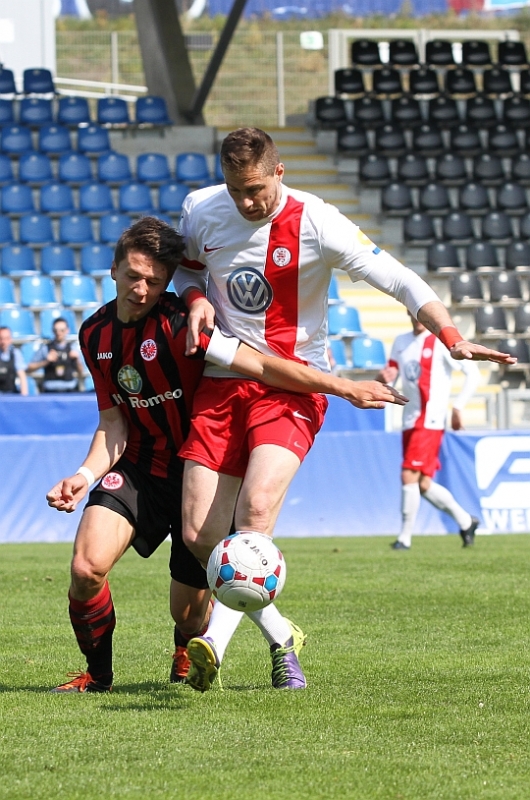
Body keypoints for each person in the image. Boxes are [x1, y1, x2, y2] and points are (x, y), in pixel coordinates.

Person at [172, 126, 517, 692]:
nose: (246, 202)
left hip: (294, 387)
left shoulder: (317, 221)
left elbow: (398, 278)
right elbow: (186, 267)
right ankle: (282, 636)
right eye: (236, 190)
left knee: (256, 510)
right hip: (222, 380)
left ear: (279, 172)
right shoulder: (202, 209)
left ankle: (216, 642)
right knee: (198, 535)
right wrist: (195, 298)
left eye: (256, 189)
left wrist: (451, 335)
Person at [46, 216, 407, 694]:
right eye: (132, 275)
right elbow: (113, 422)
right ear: (113, 270)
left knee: (188, 616)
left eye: (154, 281)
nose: (141, 289)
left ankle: (192, 648)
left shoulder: (183, 323)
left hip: (203, 471)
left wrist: (343, 388)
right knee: (85, 567)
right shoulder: (94, 334)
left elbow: (259, 365)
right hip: (140, 468)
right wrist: (83, 473)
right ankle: (98, 676)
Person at [377, 313, 482, 550]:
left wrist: (458, 406)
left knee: (408, 474)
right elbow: (390, 379)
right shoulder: (401, 341)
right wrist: (381, 379)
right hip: (409, 420)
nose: (418, 318)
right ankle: (466, 522)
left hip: (430, 420)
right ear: (407, 312)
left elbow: (473, 374)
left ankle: (404, 538)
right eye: (413, 312)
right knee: (423, 483)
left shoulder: (439, 342)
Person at [28, 317, 83, 393]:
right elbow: (29, 368)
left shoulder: (73, 348)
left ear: (67, 330)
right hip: (50, 390)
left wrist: (77, 360)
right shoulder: (45, 348)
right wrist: (46, 361)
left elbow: (81, 372)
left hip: (70, 389)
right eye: (56, 330)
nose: (58, 333)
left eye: (62, 330)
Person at [0, 326, 28, 395]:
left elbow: (22, 376)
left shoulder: (15, 354)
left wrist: (24, 397)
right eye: (1, 338)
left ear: (10, 339)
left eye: (6, 338)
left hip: (11, 394)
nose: (3, 342)